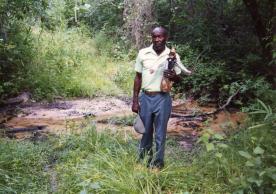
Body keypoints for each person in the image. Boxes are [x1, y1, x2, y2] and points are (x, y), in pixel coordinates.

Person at [132, 26, 191, 169]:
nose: (157, 39)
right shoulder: (143, 53)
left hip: (163, 98)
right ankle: (144, 161)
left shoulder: (172, 55)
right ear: (151, 38)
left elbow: (179, 79)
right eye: (154, 36)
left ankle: (158, 164)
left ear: (166, 37)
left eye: (160, 36)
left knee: (160, 133)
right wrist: (135, 100)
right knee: (145, 132)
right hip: (146, 97)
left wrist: (174, 76)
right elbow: (138, 77)